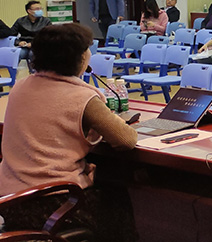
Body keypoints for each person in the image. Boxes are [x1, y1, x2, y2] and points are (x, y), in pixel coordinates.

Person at [0, 23, 138, 241]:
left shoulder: (20, 87)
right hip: (56, 204)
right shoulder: (83, 97)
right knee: (116, 193)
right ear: (80, 58)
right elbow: (126, 140)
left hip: (11, 200)